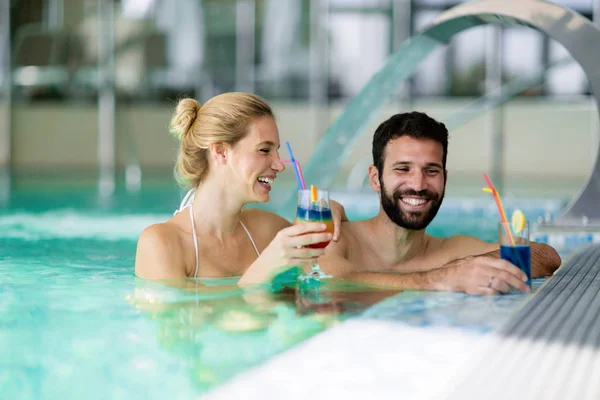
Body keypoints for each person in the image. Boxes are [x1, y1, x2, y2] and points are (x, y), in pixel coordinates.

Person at [319, 112, 562, 295]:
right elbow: (331, 281)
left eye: (431, 170)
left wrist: (463, 267)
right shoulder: (336, 237)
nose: (419, 183)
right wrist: (439, 278)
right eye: (403, 169)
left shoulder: (450, 252)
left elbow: (546, 255)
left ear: (445, 178)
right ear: (375, 178)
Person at [134, 92, 348, 284]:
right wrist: (265, 267)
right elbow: (183, 320)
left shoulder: (267, 229)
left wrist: (335, 214)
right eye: (264, 150)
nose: (279, 165)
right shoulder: (162, 244)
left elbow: (332, 267)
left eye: (277, 152)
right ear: (221, 152)